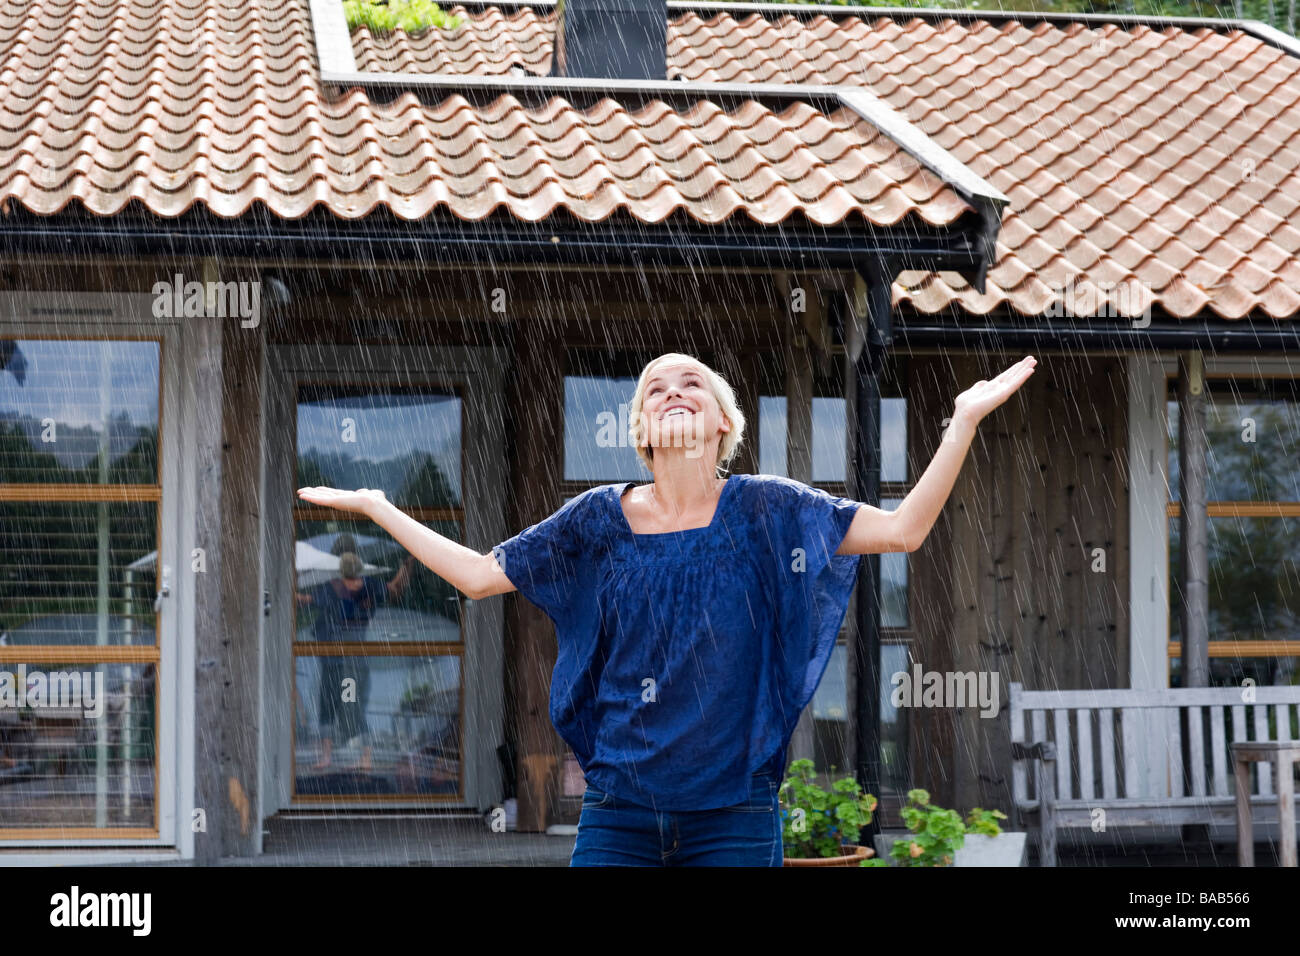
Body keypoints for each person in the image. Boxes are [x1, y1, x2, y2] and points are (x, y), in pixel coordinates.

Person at [297, 351, 1036, 864]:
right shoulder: (596, 518)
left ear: (723, 422)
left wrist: (962, 420)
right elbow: (478, 575)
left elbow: (904, 530)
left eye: (693, 383)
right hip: (620, 811)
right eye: (655, 389)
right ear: (642, 431)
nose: (674, 390)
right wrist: (379, 504)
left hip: (734, 815)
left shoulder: (768, 509)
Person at [295, 547, 418, 772]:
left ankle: (337, 756)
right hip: (352, 659)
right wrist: (407, 565)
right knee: (351, 705)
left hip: (337, 660)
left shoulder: (334, 587)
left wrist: (293, 576)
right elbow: (396, 589)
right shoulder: (370, 586)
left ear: (341, 570)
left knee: (332, 705)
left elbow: (303, 600)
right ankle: (362, 755)